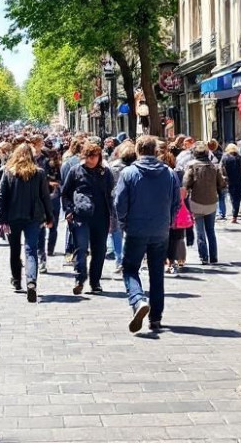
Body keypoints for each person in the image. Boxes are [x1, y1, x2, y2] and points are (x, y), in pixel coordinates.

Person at [114, 135, 179, 334]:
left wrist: (124, 223)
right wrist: (167, 221)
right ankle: (156, 318)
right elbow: (176, 202)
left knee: (130, 268)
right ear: (155, 151)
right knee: (157, 273)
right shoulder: (168, 173)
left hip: (136, 229)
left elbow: (119, 204)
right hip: (160, 230)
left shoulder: (129, 173)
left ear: (138, 151)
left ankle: (138, 300)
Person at [0, 142, 57, 302]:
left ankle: (16, 280)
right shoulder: (39, 173)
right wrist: (49, 216)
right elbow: (45, 197)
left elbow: (1, 195)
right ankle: (31, 281)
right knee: (31, 250)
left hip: (12, 217)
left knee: (14, 250)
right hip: (33, 217)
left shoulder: (8, 172)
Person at [62, 141, 115, 295]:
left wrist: (112, 214)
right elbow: (65, 193)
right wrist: (69, 210)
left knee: (99, 250)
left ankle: (95, 282)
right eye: (89, 157)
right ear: (84, 157)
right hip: (81, 215)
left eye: (95, 157)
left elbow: (111, 193)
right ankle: (80, 278)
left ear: (99, 157)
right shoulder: (75, 171)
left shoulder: (105, 173)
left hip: (101, 216)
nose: (92, 160)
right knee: (81, 247)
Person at [183, 142, 226, 266]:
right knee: (211, 231)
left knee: (200, 231)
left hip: (196, 202)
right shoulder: (214, 167)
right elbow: (222, 184)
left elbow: (186, 183)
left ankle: (204, 257)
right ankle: (214, 257)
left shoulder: (191, 166)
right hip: (212, 202)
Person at [107, 141, 137, 267]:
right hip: (133, 203)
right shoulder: (136, 169)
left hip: (115, 203)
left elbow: (108, 187)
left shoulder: (112, 167)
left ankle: (119, 258)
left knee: (116, 231)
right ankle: (128, 256)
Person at [221, 143, 241, 223]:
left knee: (232, 197)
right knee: (238, 198)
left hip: (229, 180)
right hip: (240, 180)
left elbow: (221, 168)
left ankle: (234, 215)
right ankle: (234, 216)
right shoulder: (240, 157)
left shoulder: (225, 157)